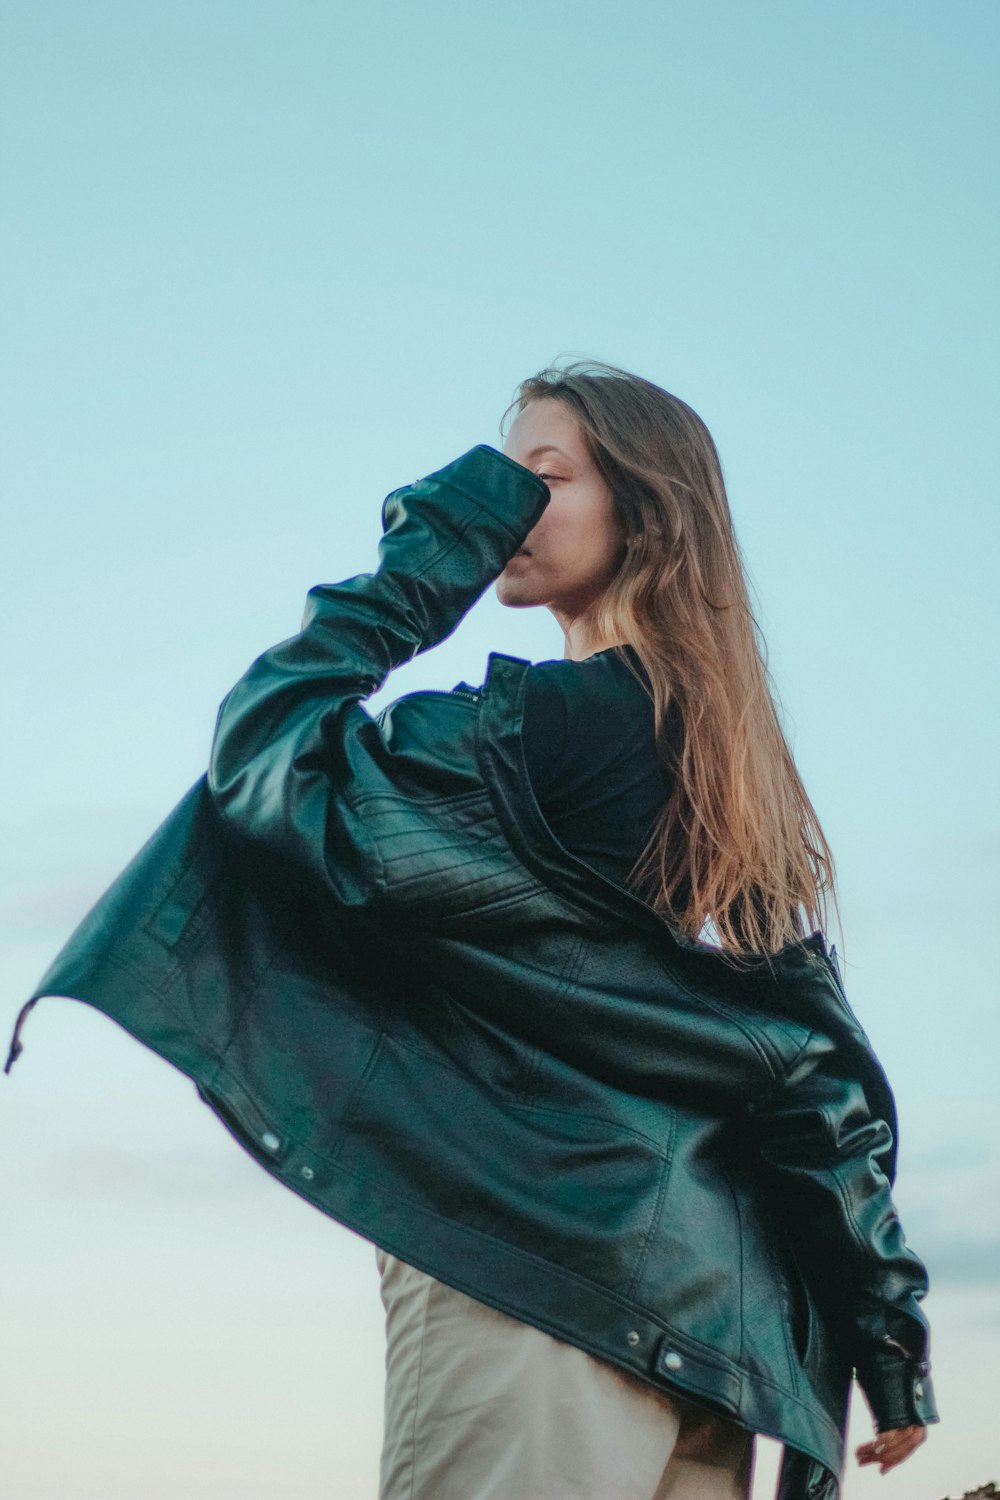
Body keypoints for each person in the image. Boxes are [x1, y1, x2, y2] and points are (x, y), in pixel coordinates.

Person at [5, 360, 937, 1500]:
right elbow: (809, 1080)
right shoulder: (728, 779)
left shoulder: (547, 732)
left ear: (644, 508)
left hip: (541, 1280)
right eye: (499, 477)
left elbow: (270, 761)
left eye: (542, 475)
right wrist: (885, 1333)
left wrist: (427, 554)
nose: (507, 500)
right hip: (710, 1341)